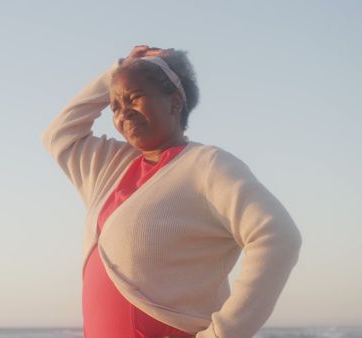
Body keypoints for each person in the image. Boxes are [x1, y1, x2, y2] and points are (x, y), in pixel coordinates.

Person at [41, 45, 302, 338]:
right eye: (115, 106)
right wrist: (116, 72)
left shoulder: (206, 166)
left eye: (134, 98)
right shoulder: (109, 167)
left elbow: (278, 236)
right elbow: (59, 135)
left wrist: (222, 333)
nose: (123, 112)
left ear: (175, 102)